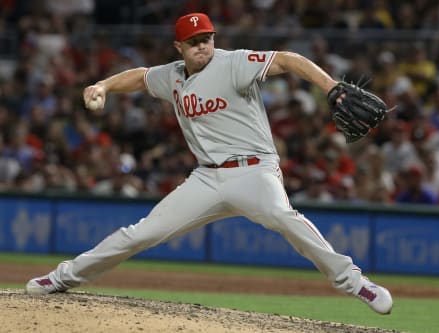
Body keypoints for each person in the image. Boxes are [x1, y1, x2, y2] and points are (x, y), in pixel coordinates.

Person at [25, 12, 393, 315]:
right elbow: (139, 77)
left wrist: (329, 86)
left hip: (254, 172)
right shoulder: (172, 74)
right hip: (205, 179)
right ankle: (63, 277)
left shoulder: (233, 63)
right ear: (179, 47)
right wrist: (103, 85)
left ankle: (356, 282)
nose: (203, 45)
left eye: (207, 38)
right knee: (141, 233)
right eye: (194, 41)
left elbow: (288, 59)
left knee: (284, 218)